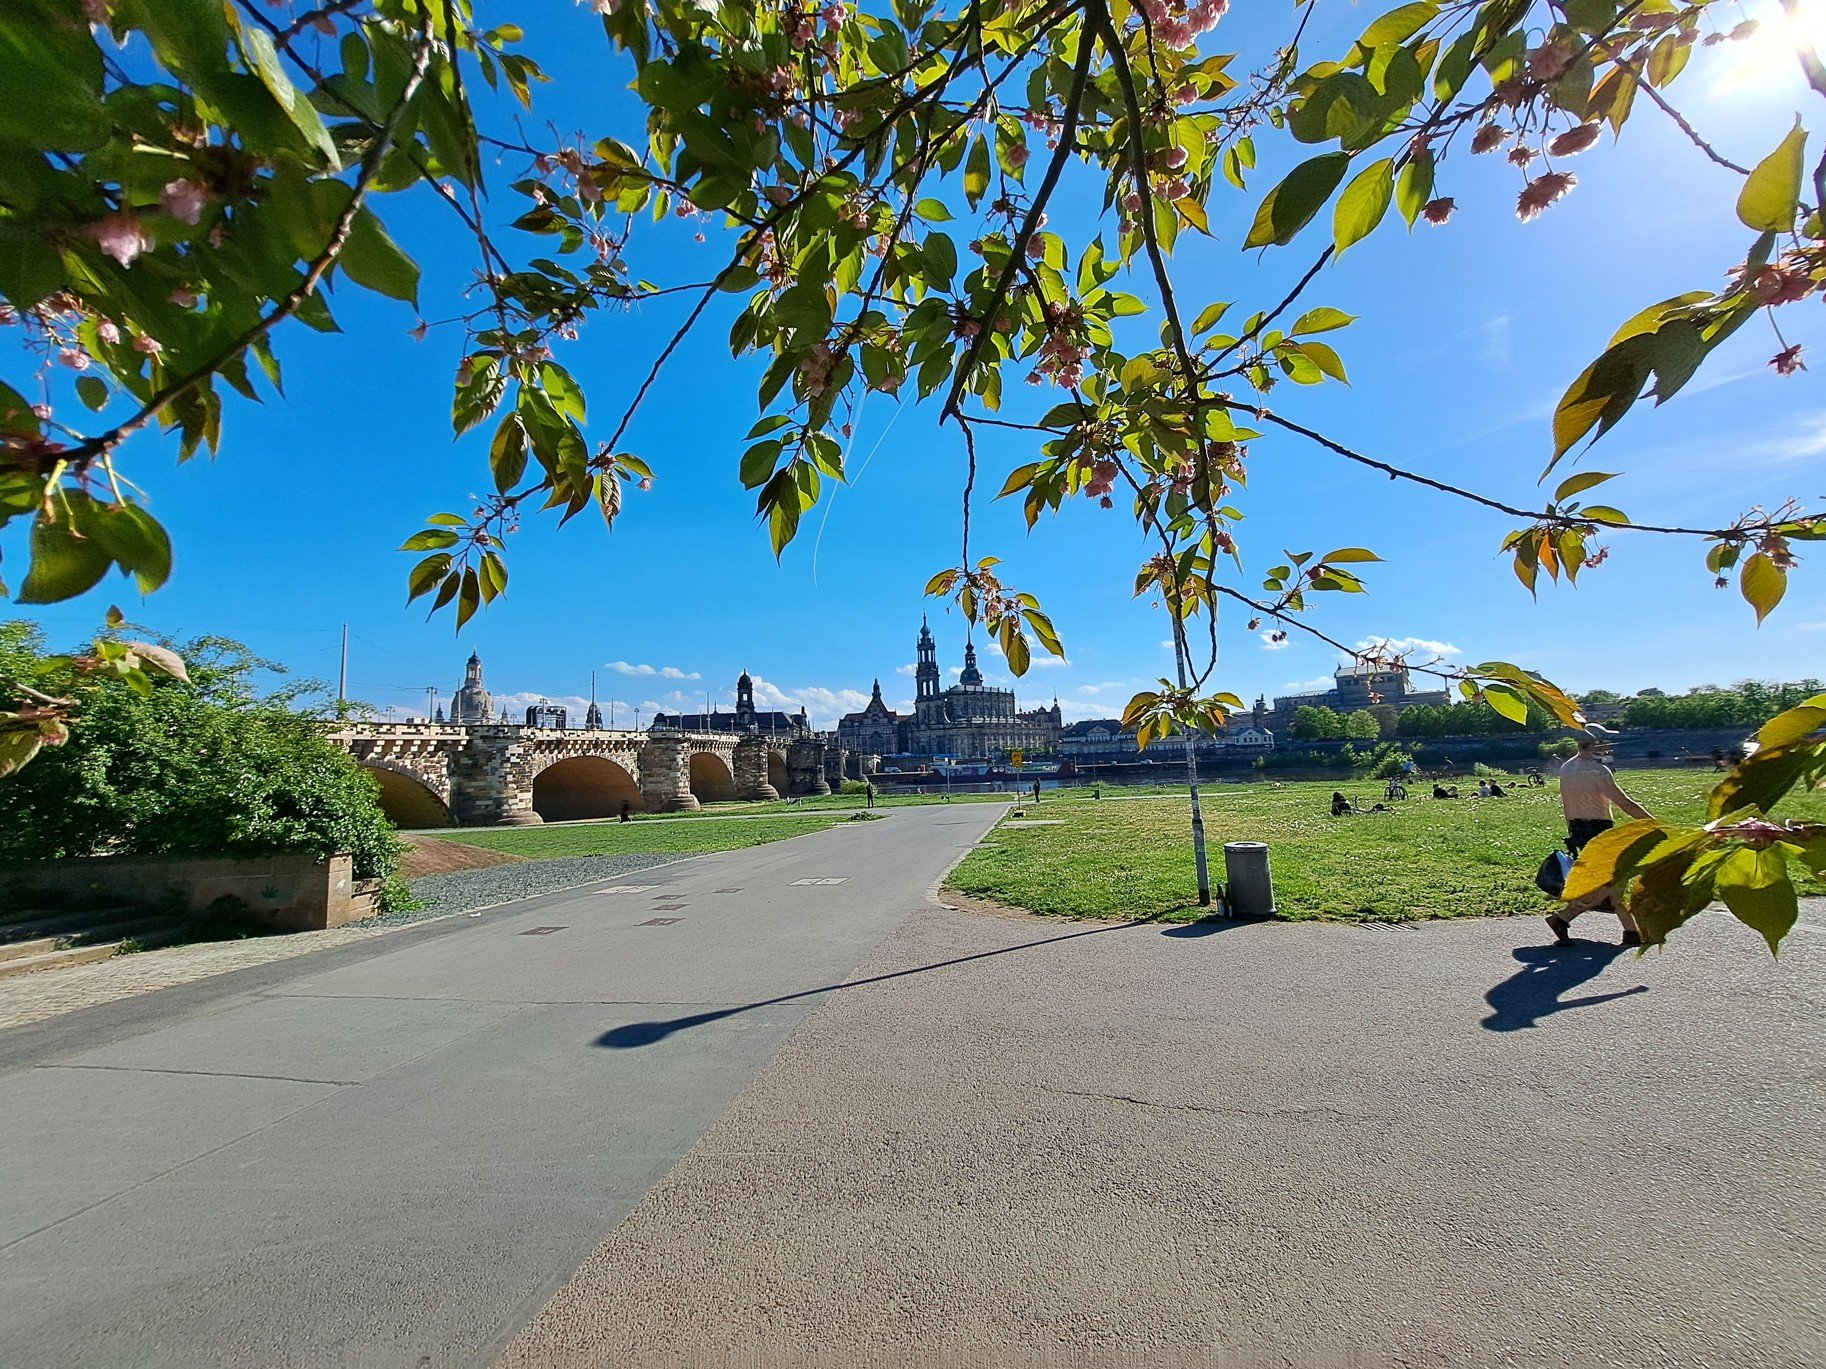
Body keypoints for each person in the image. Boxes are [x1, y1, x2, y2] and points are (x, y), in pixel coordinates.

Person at [1547, 726, 1652, 946]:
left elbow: (1567, 803)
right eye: (1605, 742)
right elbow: (1623, 802)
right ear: (1595, 744)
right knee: (1612, 881)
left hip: (1577, 828)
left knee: (1612, 881)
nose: (1608, 747)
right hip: (1599, 829)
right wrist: (1652, 823)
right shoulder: (1598, 771)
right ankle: (1563, 918)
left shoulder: (1567, 768)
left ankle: (1631, 932)